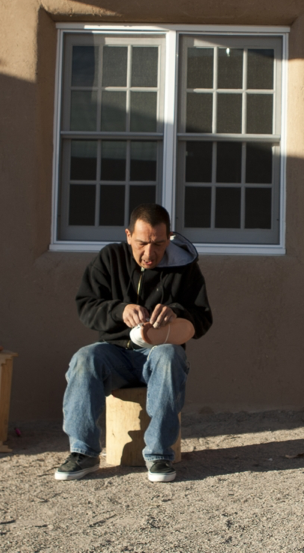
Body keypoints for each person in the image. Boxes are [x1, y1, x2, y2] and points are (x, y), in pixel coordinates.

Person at [55, 203, 212, 483]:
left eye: (158, 244)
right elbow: (86, 306)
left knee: (169, 355)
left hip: (159, 356)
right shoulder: (109, 259)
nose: (149, 253)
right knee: (85, 357)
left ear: (170, 237)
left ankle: (159, 455)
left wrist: (178, 312)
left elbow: (203, 318)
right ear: (128, 235)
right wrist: (120, 310)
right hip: (115, 353)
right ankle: (83, 452)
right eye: (141, 243)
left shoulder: (186, 266)